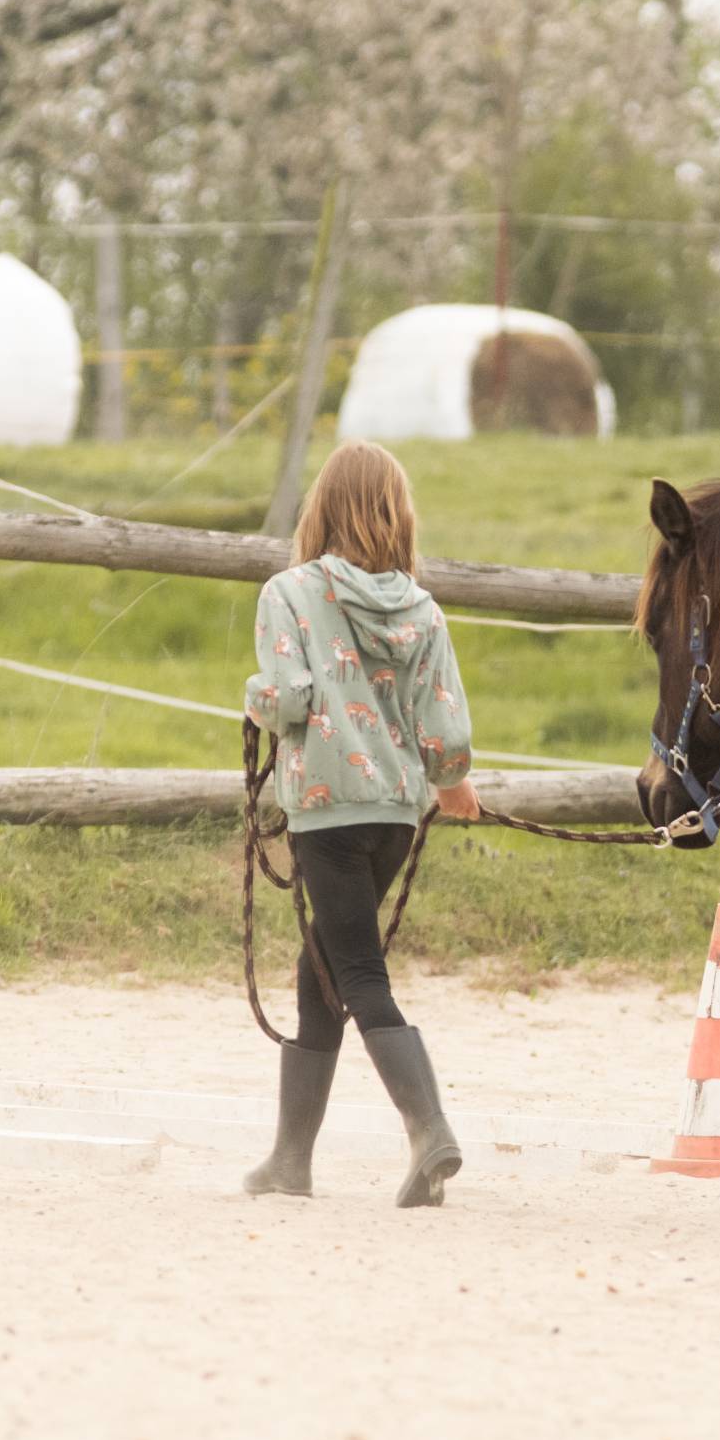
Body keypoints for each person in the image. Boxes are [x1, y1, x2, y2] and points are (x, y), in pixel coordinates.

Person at [240, 440, 482, 1208]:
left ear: (323, 509)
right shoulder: (422, 609)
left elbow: (288, 698)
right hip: (394, 816)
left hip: (328, 811)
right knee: (322, 971)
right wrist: (453, 782)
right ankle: (289, 1160)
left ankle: (429, 1130)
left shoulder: (290, 593)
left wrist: (254, 698)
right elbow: (443, 725)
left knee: (359, 973)